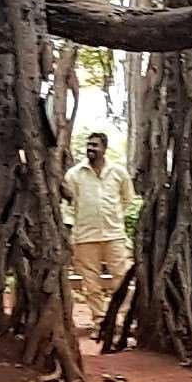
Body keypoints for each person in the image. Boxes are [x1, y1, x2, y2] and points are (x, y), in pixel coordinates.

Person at [66, 129, 129, 314]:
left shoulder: (118, 172)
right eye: (88, 145)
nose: (90, 148)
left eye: (95, 145)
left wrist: (114, 217)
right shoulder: (74, 175)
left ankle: (119, 322)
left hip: (114, 234)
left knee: (121, 279)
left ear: (104, 148)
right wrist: (70, 228)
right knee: (91, 284)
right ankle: (99, 321)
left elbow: (126, 199)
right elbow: (68, 206)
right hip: (85, 236)